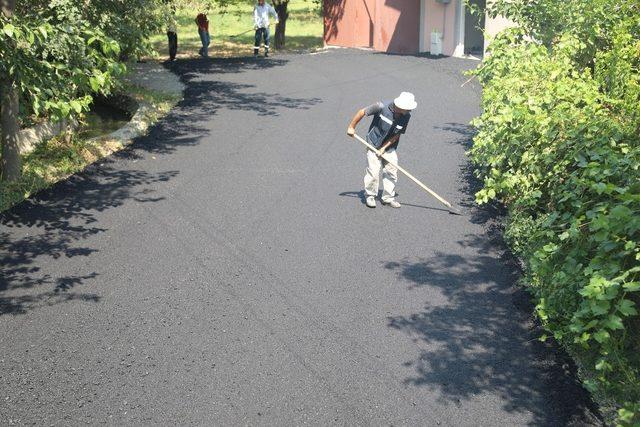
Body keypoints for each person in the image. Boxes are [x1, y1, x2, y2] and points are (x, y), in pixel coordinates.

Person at [346, 92, 417, 208]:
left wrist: (383, 148)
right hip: (373, 143)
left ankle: (388, 198)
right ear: (401, 106)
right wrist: (351, 127)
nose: (409, 111)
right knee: (373, 172)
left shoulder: (406, 116)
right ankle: (370, 195)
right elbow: (361, 112)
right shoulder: (381, 106)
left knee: (392, 171)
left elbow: (397, 134)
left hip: (389, 146)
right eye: (408, 108)